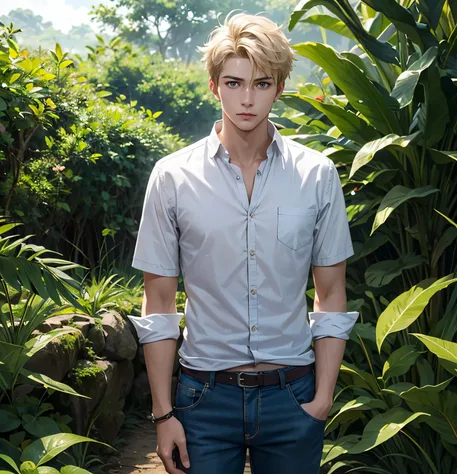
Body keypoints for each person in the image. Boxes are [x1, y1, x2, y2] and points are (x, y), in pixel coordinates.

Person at [128, 12, 358, 474]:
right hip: (203, 400)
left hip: (293, 398)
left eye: (262, 84)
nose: (247, 99)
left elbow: (331, 291)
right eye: (233, 83)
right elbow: (158, 300)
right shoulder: (172, 177)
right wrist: (163, 413)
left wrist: (323, 399)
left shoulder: (317, 176)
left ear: (280, 87)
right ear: (214, 86)